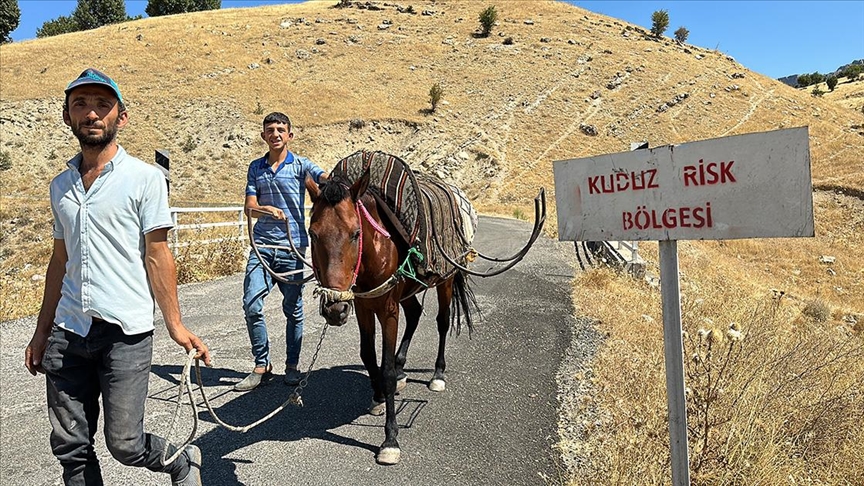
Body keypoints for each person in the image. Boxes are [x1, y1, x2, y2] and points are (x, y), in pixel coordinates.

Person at [23, 68, 211, 486]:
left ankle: (179, 461)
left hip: (125, 333)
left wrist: (176, 325)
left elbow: (158, 255)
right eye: (81, 104)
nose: (91, 113)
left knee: (125, 443)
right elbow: (60, 261)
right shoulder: (60, 186)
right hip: (68, 331)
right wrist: (41, 331)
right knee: (71, 448)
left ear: (120, 117)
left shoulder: (144, 179)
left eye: (102, 105)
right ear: (68, 117)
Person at [235, 112, 327, 392]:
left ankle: (292, 367)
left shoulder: (300, 165)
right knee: (251, 304)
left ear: (290, 135)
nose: (275, 134)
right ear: (263, 136)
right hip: (262, 248)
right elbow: (249, 206)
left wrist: (335, 180)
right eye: (270, 130)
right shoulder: (256, 168)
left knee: (293, 310)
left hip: (292, 248)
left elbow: (325, 178)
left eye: (280, 129)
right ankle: (262, 365)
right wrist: (266, 209)